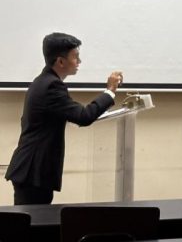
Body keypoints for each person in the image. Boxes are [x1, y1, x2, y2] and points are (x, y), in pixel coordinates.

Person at [5, 33, 123, 205]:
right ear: (60, 61)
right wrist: (110, 91)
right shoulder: (52, 86)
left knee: (35, 219)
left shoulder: (43, 81)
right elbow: (84, 116)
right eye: (75, 57)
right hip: (33, 170)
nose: (79, 61)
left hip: (31, 170)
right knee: (34, 220)